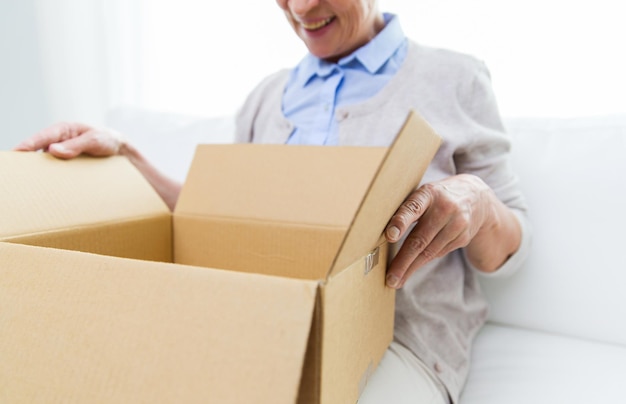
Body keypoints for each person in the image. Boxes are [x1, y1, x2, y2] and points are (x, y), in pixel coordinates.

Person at [15, 0, 531, 402]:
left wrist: (477, 200)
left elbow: (508, 258)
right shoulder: (267, 97)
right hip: (261, 327)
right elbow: (214, 221)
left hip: (398, 345)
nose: (301, 9)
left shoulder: (455, 79)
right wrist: (125, 153)